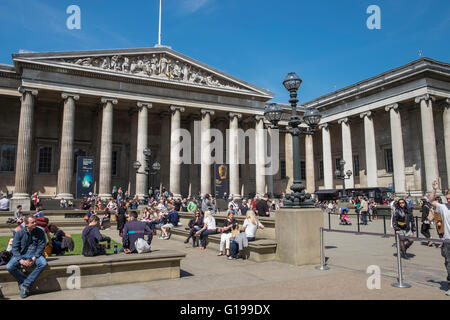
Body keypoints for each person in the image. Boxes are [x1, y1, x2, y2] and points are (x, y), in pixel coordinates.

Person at [6, 215, 47, 298]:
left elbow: (41, 246)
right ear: (26, 224)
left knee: (43, 263)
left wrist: (35, 257)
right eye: (33, 222)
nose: (35, 223)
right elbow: (15, 248)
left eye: (35, 221)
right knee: (9, 266)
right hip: (22, 254)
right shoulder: (19, 233)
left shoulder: (40, 231)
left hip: (35, 254)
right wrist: (20, 260)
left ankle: (25, 285)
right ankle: (26, 282)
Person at [428, 180, 450, 295]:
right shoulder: (443, 207)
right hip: (447, 240)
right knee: (448, 262)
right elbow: (431, 200)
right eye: (448, 198)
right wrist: (434, 189)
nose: (449, 200)